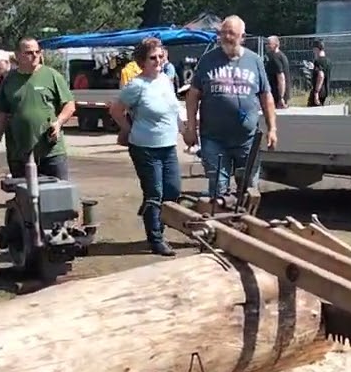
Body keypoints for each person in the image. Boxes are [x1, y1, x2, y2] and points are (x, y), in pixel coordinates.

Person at [182, 15, 278, 198]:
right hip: (214, 138)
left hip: (247, 140)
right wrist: (191, 128)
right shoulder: (208, 60)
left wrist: (272, 128)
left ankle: (244, 224)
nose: (226, 37)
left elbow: (266, 96)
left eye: (231, 33)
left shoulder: (254, 61)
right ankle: (218, 223)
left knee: (249, 190)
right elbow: (193, 95)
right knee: (218, 189)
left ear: (242, 36)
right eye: (223, 32)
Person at [109, 37, 183, 256]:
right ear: (142, 61)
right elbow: (116, 109)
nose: (158, 61)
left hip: (168, 145)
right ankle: (156, 238)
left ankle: (158, 226)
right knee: (154, 192)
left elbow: (174, 110)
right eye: (153, 58)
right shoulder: (136, 85)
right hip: (145, 147)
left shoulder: (166, 81)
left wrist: (185, 130)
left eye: (161, 56)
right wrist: (128, 129)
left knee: (173, 190)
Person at [0, 37, 76, 179]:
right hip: (19, 152)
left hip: (51, 151)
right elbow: (1, 116)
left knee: (58, 194)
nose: (35, 55)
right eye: (28, 52)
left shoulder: (52, 76)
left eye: (37, 51)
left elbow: (69, 105)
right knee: (24, 195)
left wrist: (58, 122)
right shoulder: (9, 81)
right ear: (17, 55)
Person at [264, 35, 291, 109]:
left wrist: (281, 97)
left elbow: (281, 78)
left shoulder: (276, 58)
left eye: (269, 44)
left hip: (277, 96)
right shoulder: (276, 56)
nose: (266, 46)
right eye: (266, 44)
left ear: (276, 45)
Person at [308, 41, 332, 106]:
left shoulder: (318, 61)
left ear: (317, 49)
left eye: (314, 49)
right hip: (326, 92)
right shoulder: (328, 61)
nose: (313, 51)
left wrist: (316, 93)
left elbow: (321, 75)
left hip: (319, 92)